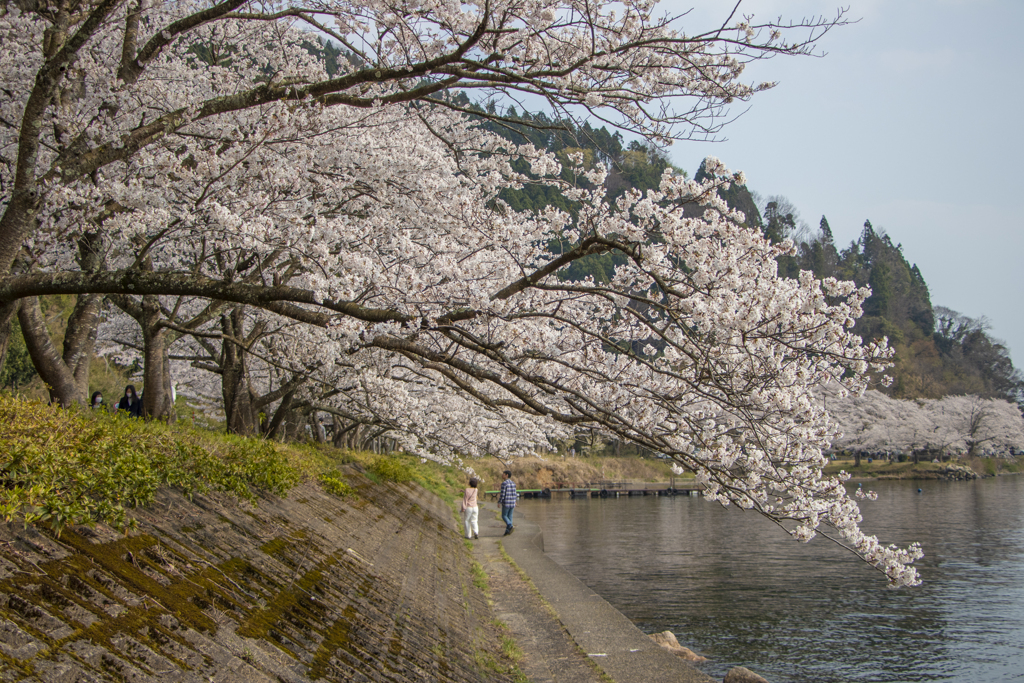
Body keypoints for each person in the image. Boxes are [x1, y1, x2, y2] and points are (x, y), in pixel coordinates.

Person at [499, 470, 517, 536]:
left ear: (507, 475)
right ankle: (507, 531)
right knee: (510, 516)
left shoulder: (504, 483)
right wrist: (515, 501)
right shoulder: (513, 483)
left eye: (503, 474)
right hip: (512, 502)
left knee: (504, 516)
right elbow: (515, 494)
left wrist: (499, 502)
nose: (502, 475)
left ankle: (510, 525)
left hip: (506, 502)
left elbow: (502, 494)